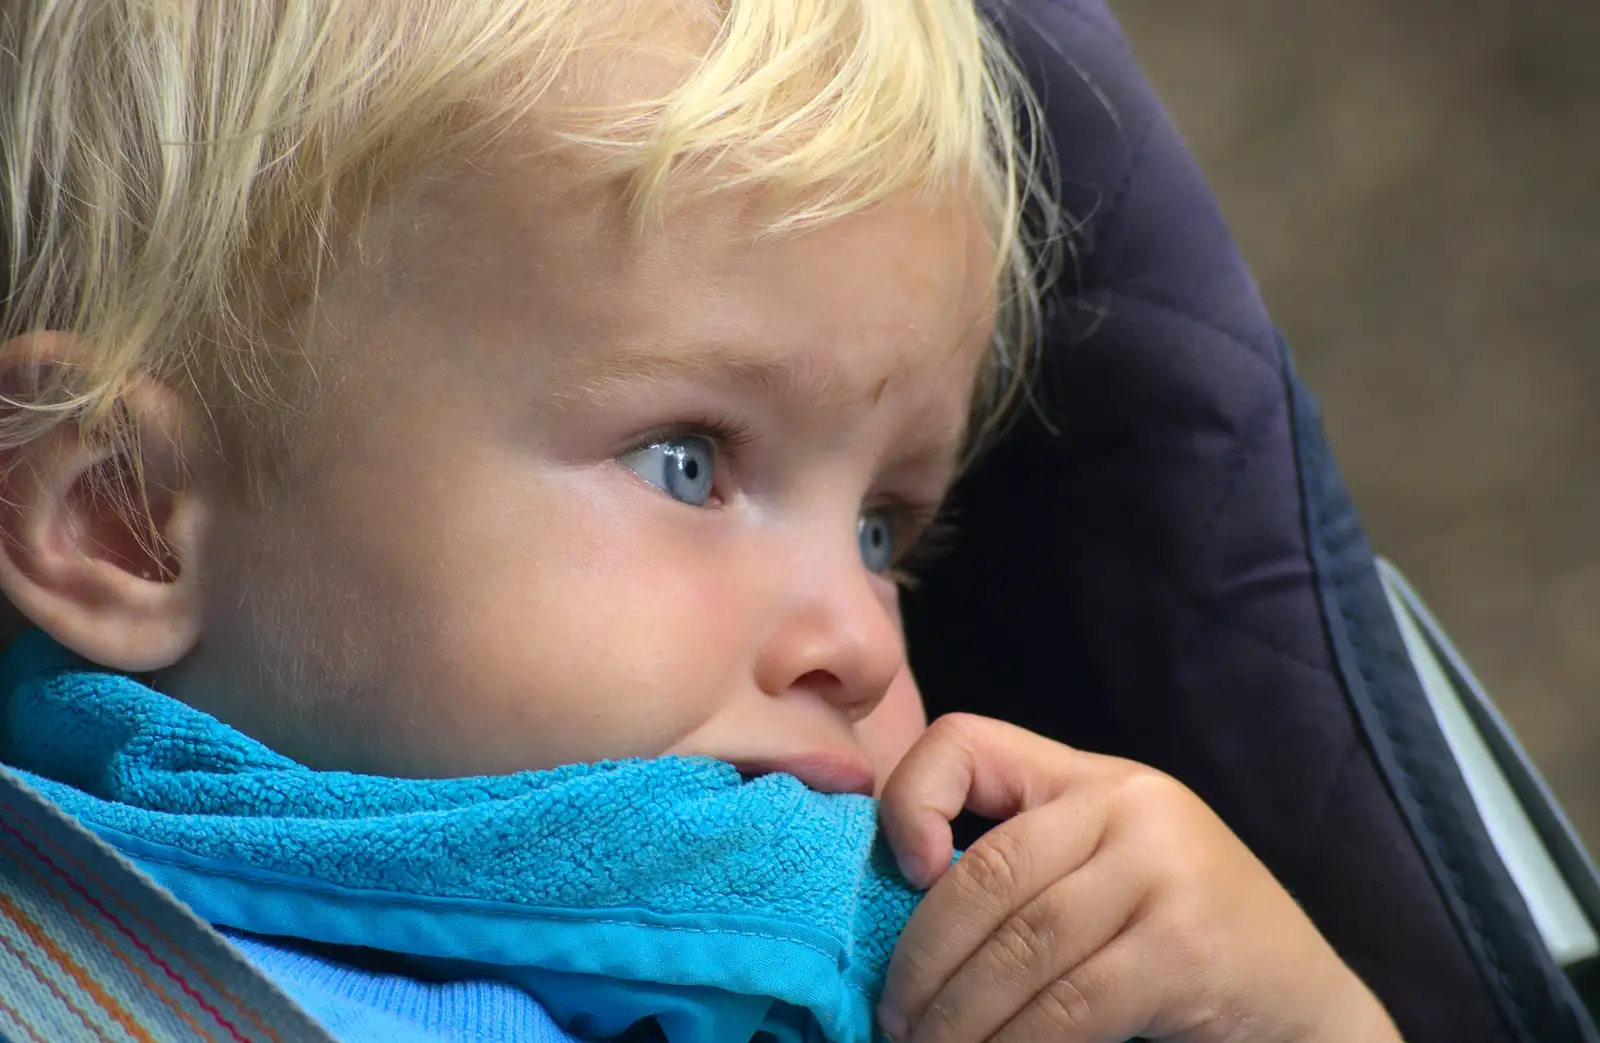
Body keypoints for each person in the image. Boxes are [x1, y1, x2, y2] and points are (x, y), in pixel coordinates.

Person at [0, 1, 1403, 1040]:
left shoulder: (945, 972)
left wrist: (1292, 1013)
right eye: (688, 460)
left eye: (883, 530)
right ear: (126, 518)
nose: (859, 636)